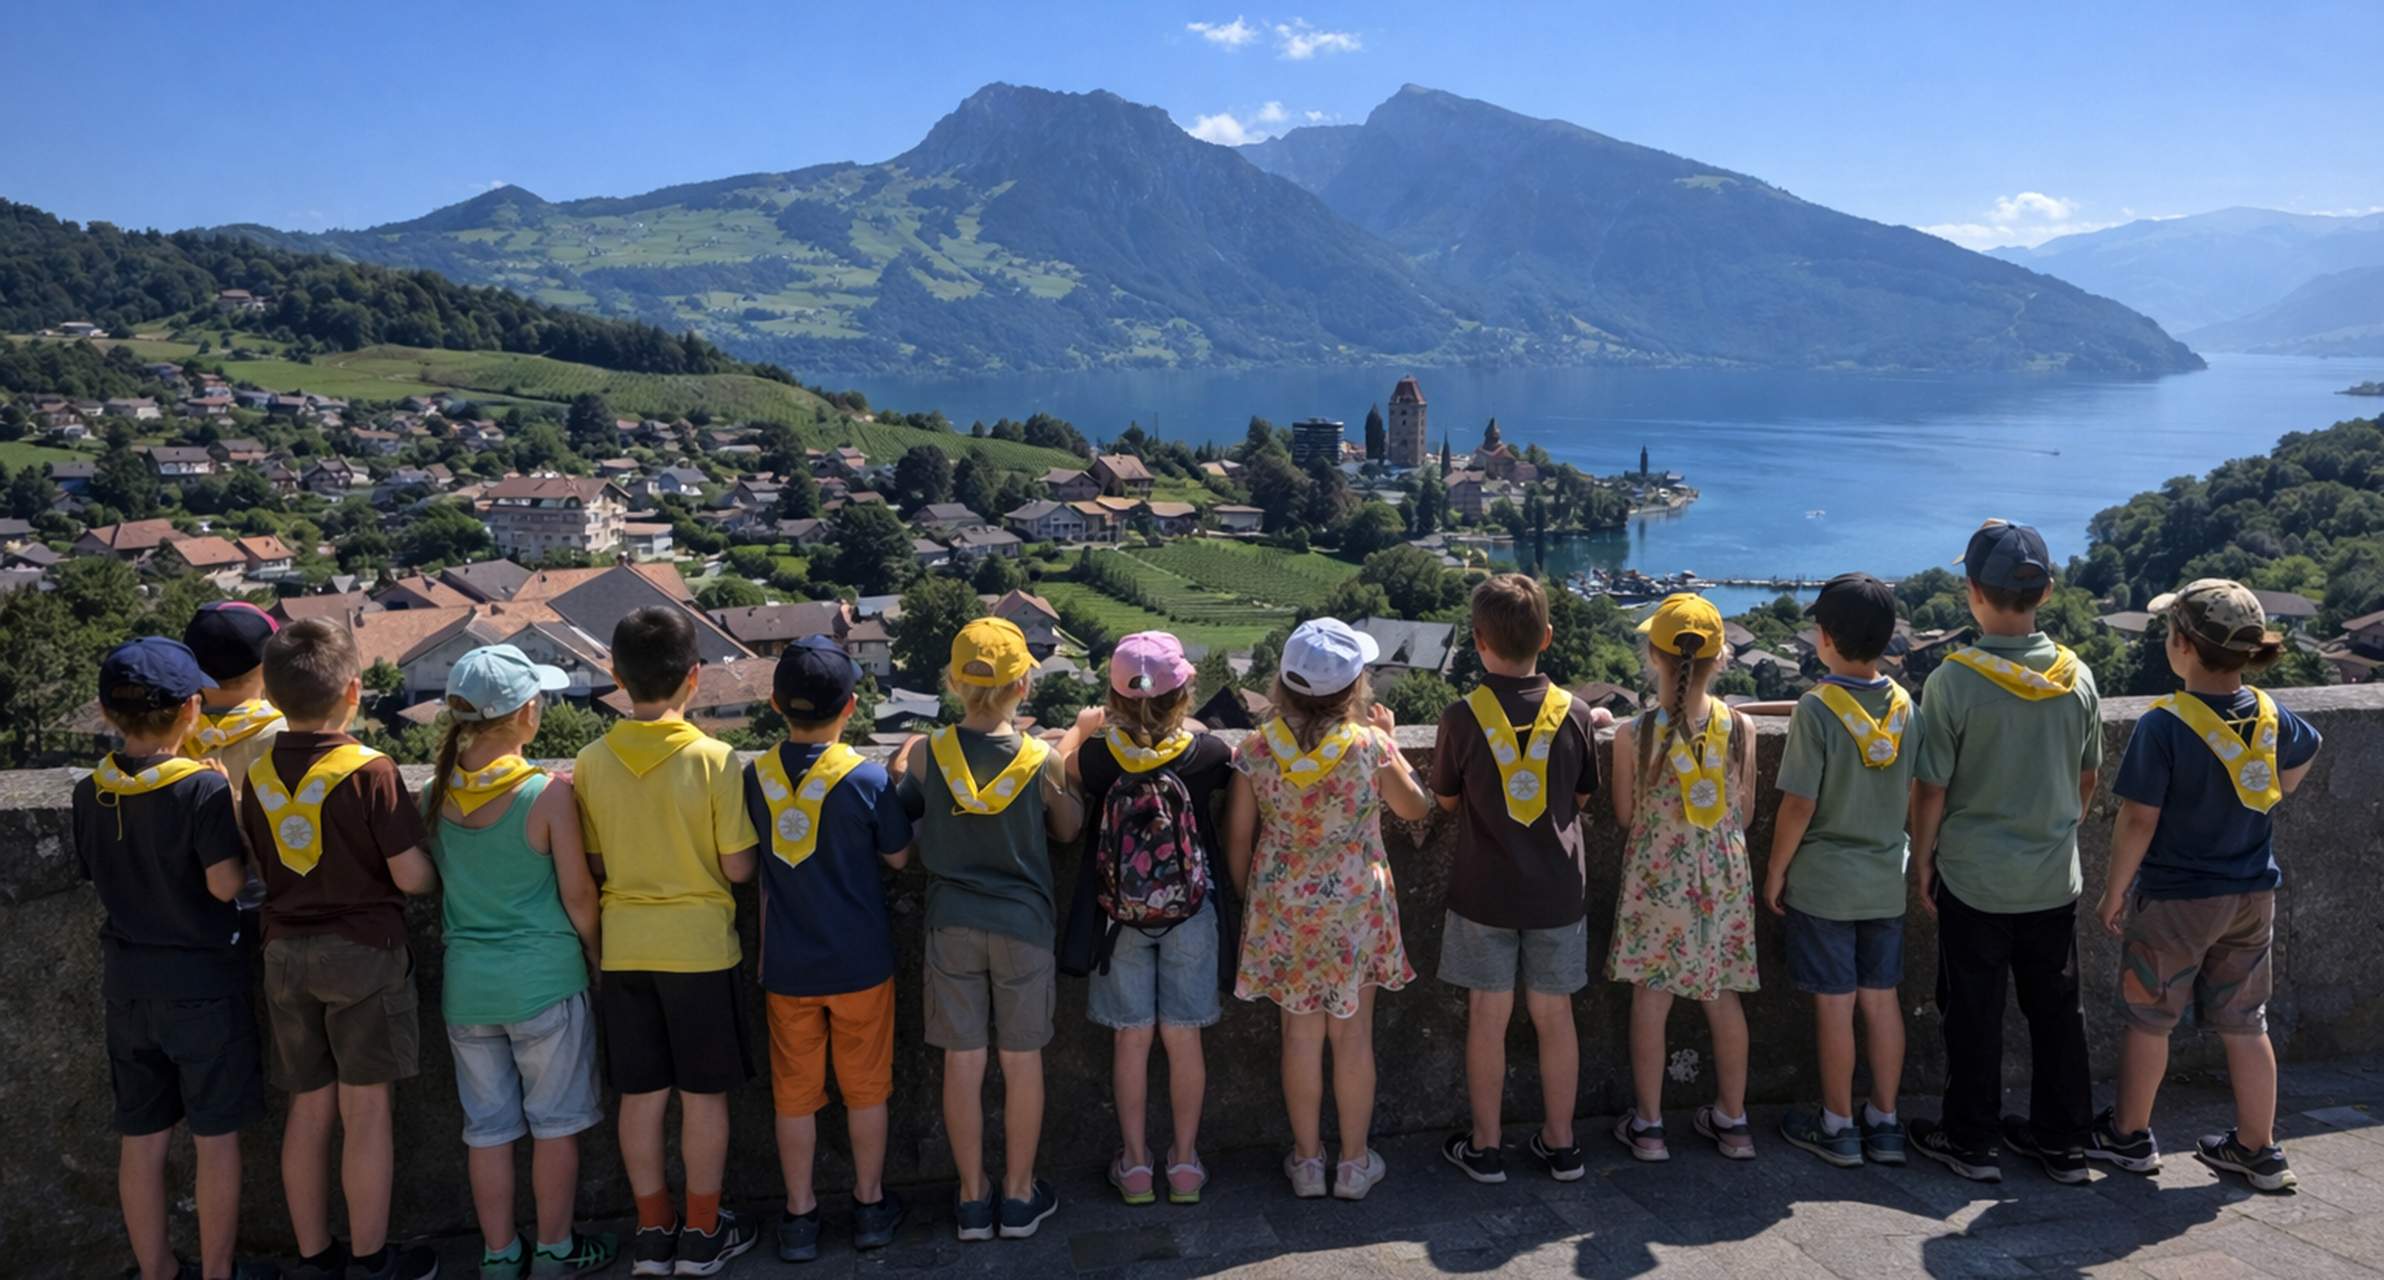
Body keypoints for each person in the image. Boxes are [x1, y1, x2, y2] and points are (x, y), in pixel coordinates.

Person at [2093, 580, 2321, 1192]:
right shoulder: (2270, 715)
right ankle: (2258, 1148)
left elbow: (2139, 819)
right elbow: (2301, 761)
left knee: (2150, 1016)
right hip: (2252, 893)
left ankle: (2129, 1136)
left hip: (2176, 900)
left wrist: (2116, 890)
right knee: (2247, 1020)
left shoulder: (2164, 725)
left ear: (2184, 646)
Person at [240, 618, 440, 1280]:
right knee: (366, 1111)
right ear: (354, 691)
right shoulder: (370, 770)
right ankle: (372, 1258)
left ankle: (314, 1257)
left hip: (283, 955)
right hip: (361, 953)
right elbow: (410, 878)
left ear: (270, 695)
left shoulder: (258, 772)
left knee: (309, 1106)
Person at [1907, 521, 2102, 1186]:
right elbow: (2085, 780)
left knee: (1973, 1011)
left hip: (1976, 876)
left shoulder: (1953, 680)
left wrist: (1924, 859)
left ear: (1972, 593)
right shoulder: (2077, 678)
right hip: (2053, 875)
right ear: (2046, 591)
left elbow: (1931, 788)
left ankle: (1971, 1139)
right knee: (2058, 1010)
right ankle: (2065, 1139)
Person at [75, 639, 276, 1280]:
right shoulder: (201, 791)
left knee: (142, 1138)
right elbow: (224, 886)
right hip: (204, 985)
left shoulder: (89, 792)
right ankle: (218, 1271)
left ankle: (157, 1269)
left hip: (127, 987)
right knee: (215, 1139)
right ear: (193, 709)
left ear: (108, 714)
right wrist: (237, 819)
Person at [572, 607, 762, 1277]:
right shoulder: (716, 759)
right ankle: (704, 1232)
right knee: (704, 1096)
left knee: (641, 1097)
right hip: (701, 951)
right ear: (696, 678)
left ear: (615, 675)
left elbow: (595, 864)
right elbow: (740, 866)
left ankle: (653, 1230)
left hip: (625, 949)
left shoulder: (590, 762)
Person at [421, 645, 616, 1279]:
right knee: (555, 1126)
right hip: (544, 985)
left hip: (467, 992)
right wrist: (595, 953)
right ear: (528, 713)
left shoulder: (433, 792)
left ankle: (500, 1255)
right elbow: (579, 895)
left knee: (488, 1130)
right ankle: (557, 1248)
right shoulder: (546, 795)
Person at [1224, 618, 1433, 1202]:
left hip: (1283, 906)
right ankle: (1354, 1162)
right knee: (1353, 1037)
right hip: (1354, 909)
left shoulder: (1257, 749)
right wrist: (1388, 739)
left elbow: (1238, 839)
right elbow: (1415, 808)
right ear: (1354, 687)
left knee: (1298, 1037)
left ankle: (1308, 1161)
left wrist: (1256, 902)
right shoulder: (1368, 745)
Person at [891, 617, 1084, 1243]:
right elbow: (1068, 830)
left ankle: (973, 1199)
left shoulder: (927, 753)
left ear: (953, 681)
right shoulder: (1039, 758)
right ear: (1023, 686)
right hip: (1024, 926)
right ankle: (1020, 1196)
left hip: (951, 924)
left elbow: (904, 817)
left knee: (962, 1061)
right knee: (1022, 1060)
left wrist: (900, 763)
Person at [1429, 576, 1605, 1185]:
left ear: (1477, 641)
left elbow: (1445, 802)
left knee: (1487, 1018)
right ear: (1548, 638)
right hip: (1559, 893)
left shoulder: (1459, 717)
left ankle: (1485, 1146)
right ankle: (1562, 1144)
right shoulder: (1576, 713)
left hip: (1485, 894)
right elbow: (1582, 795)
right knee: (1556, 1017)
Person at [742, 637, 913, 1262]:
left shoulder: (753, 777)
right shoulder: (866, 778)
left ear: (773, 704)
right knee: (866, 1090)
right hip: (861, 964)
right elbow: (898, 856)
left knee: (795, 1095)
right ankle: (869, 1205)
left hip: (787, 968)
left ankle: (799, 1216)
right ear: (853, 706)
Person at [1057, 631, 1235, 1207]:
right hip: (1190, 910)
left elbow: (1056, 773)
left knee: (1131, 1042)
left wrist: (1083, 730)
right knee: (1184, 1041)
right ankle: (1183, 1164)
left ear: (1112, 696)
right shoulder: (1206, 756)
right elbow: (1220, 754)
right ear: (1184, 693)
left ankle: (1134, 1165)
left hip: (1117, 918)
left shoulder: (1097, 759)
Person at [1758, 574, 1917, 1168]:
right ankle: (1885, 1120)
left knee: (1835, 1005)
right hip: (1884, 880)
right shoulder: (1905, 706)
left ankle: (1838, 1124)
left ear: (1823, 637)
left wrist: (1776, 872)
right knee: (1882, 1002)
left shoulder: (1818, 711)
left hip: (1824, 885)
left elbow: (1797, 804)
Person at [1607, 594, 1761, 1163]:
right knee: (1722, 995)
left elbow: (1626, 815)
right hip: (1720, 877)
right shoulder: (1740, 727)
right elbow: (1743, 814)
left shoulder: (1634, 734)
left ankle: (1648, 1126)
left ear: (1653, 655)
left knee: (1652, 997)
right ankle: (1735, 1120)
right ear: (1721, 659)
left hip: (1658, 876)